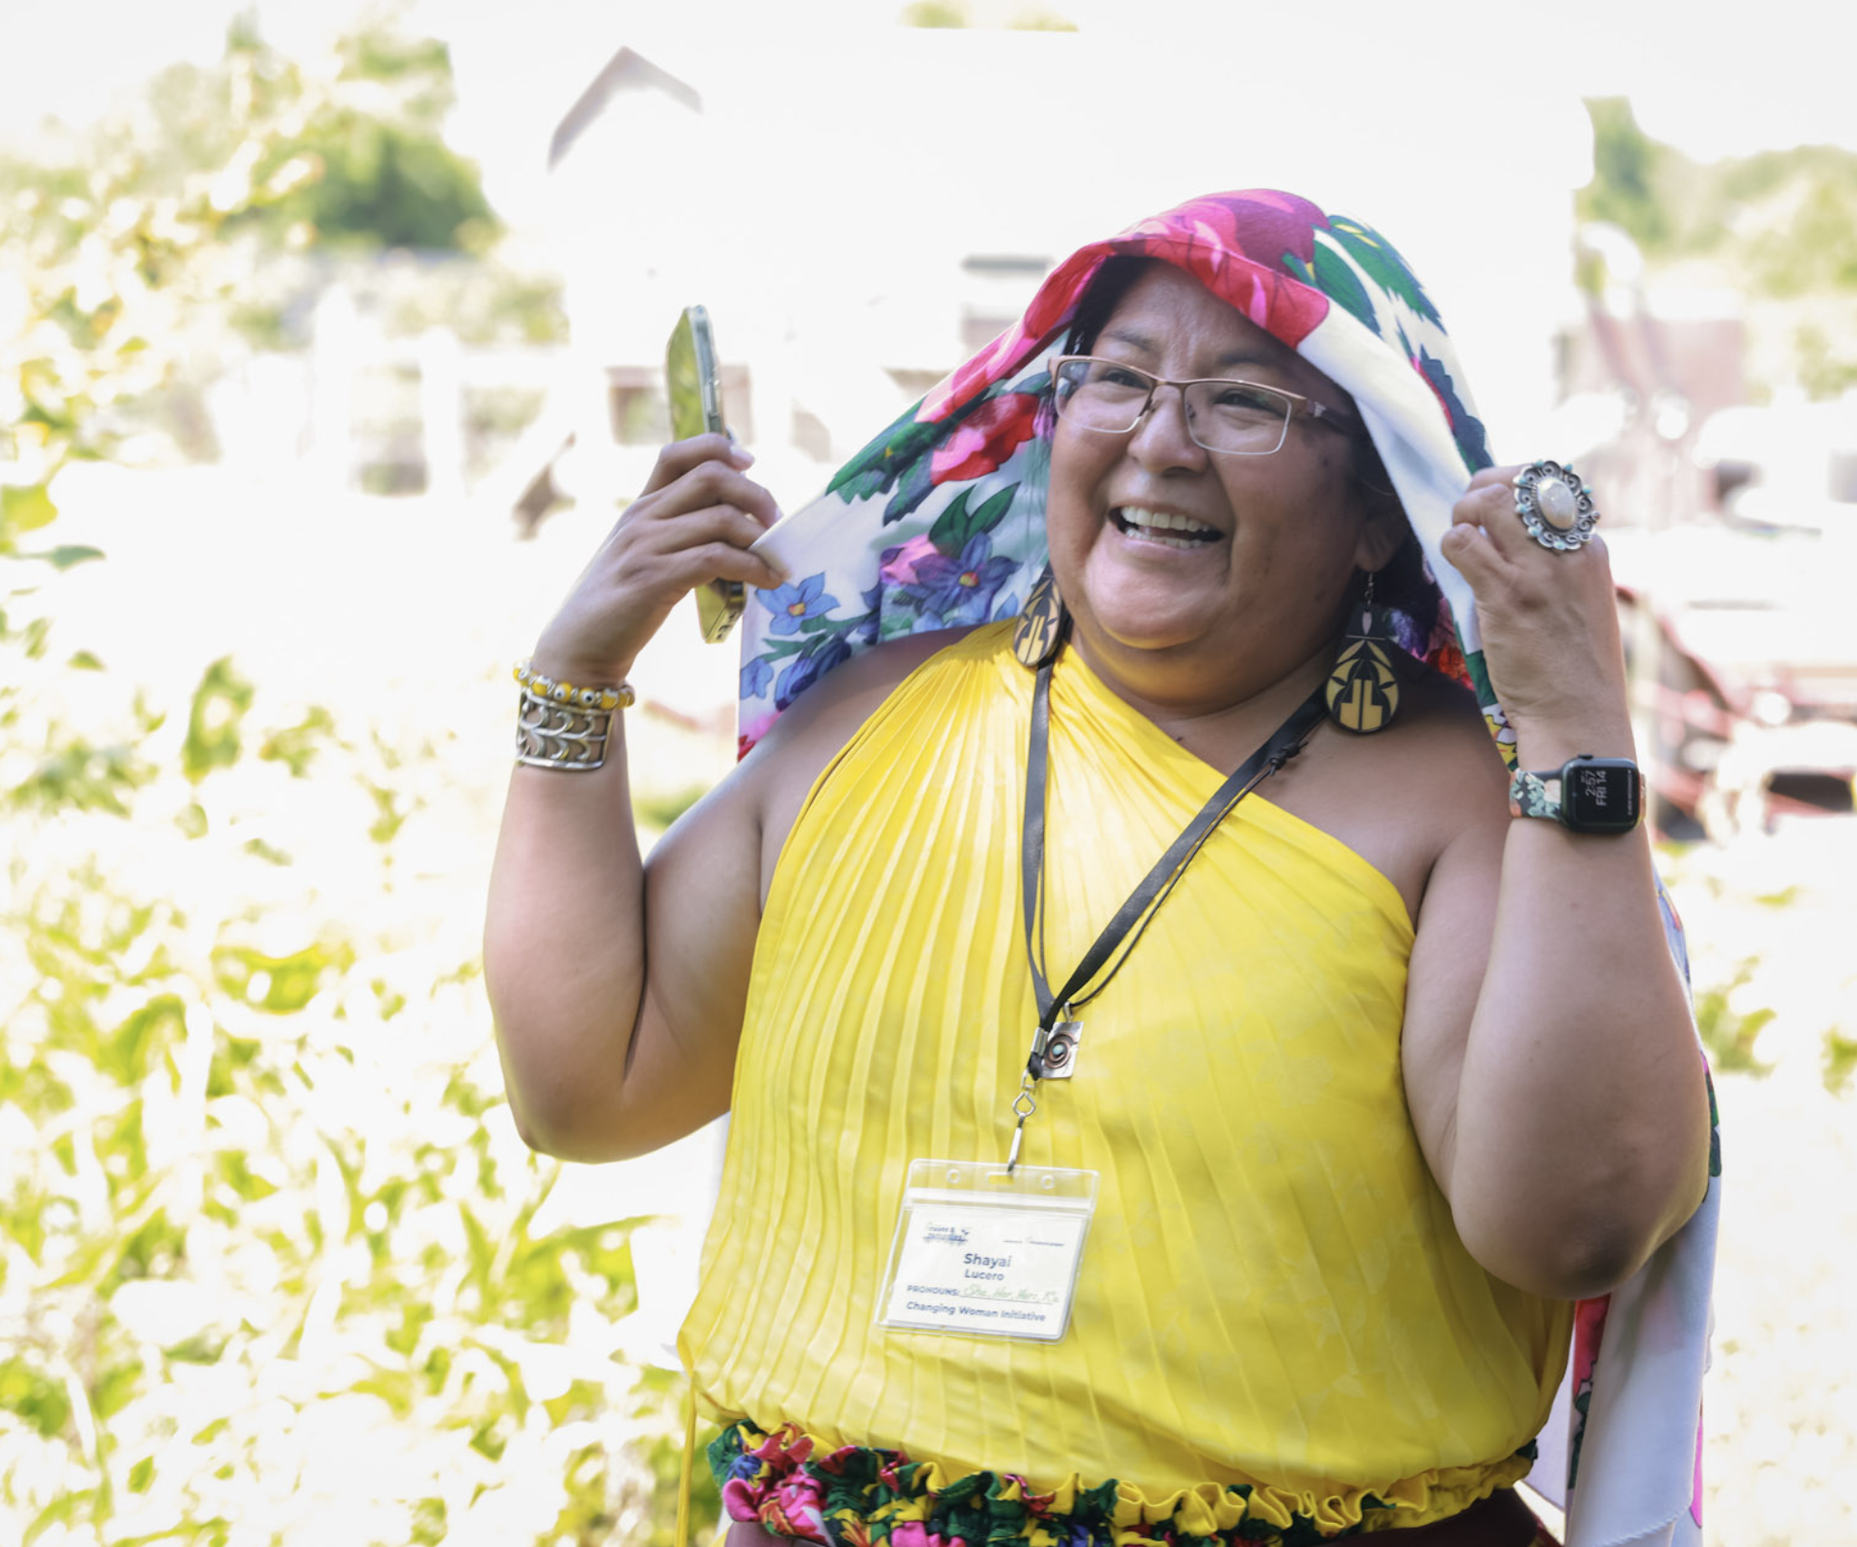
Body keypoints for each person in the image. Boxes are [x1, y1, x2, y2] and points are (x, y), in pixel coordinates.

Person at [485, 190, 1719, 1547]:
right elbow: (585, 1086)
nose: (1160, 441)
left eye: (1247, 404)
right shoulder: (865, 724)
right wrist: (575, 679)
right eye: (1117, 380)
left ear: (1378, 507)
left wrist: (1579, 745)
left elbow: (1573, 1223)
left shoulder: (1464, 803)